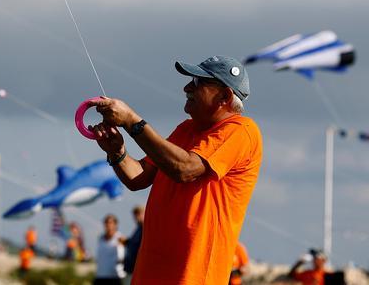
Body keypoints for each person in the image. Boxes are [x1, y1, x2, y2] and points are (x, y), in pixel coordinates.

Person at [90, 55, 263, 283]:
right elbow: (138, 177)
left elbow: (185, 169)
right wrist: (116, 152)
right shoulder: (186, 129)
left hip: (193, 277)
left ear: (225, 96)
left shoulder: (242, 131)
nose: (187, 87)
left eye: (198, 82)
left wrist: (132, 120)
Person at [94, 214, 125, 285]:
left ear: (115, 224)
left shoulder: (120, 238)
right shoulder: (100, 238)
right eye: (106, 222)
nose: (108, 225)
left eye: (110, 222)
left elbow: (123, 257)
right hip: (100, 276)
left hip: (115, 277)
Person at [122, 205, 144, 279]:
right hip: (132, 269)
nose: (136, 216)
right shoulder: (138, 229)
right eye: (135, 214)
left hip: (138, 269)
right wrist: (127, 242)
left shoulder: (145, 228)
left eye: (138, 213)